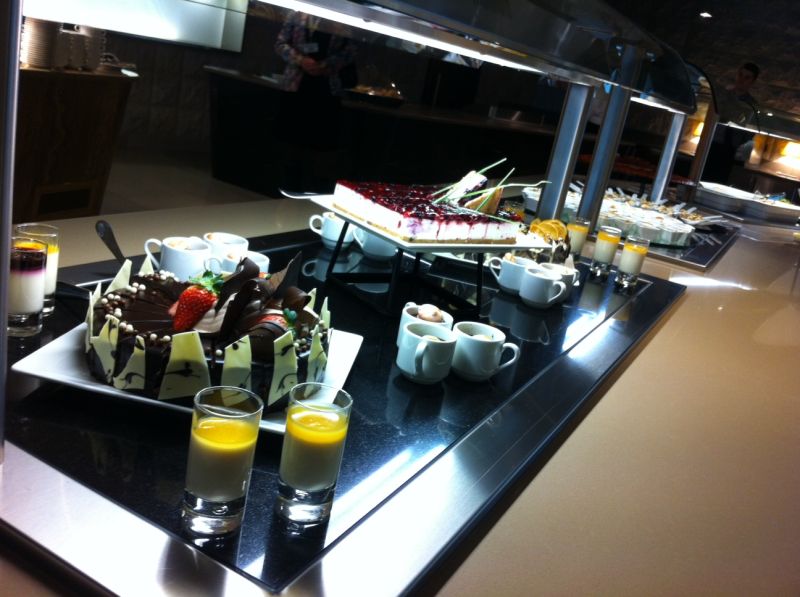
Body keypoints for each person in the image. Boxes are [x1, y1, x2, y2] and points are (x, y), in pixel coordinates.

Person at [274, 11, 357, 191]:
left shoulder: (343, 18)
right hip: (295, 88)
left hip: (327, 92)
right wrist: (301, 60)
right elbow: (280, 44)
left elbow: (350, 52)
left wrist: (327, 65)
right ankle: (287, 192)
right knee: (291, 146)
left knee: (323, 151)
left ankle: (316, 194)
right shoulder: (297, 14)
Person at [703, 62, 761, 184]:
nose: (741, 80)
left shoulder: (752, 105)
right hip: (711, 142)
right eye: (740, 75)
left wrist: (738, 143)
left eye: (747, 77)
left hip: (731, 149)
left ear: (752, 82)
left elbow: (750, 131)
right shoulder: (722, 95)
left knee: (718, 182)